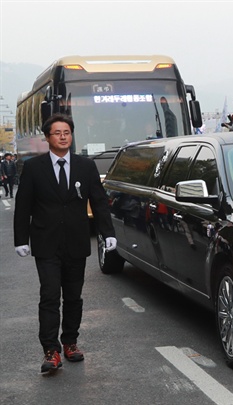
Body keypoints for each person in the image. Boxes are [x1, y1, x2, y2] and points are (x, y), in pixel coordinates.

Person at [13, 114, 117, 373]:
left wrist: (108, 232)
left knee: (73, 297)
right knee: (49, 296)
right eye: (57, 132)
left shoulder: (86, 166)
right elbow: (23, 205)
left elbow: (99, 201)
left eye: (67, 132)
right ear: (47, 137)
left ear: (72, 136)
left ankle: (70, 342)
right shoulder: (34, 167)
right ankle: (51, 351)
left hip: (76, 242)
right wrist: (20, 239)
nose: (62, 136)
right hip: (45, 243)